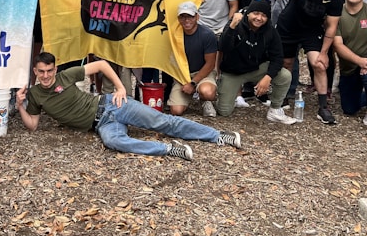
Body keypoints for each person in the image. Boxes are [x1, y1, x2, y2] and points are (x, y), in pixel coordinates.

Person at [16, 52, 242, 161]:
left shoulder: (66, 75)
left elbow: (102, 64)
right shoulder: (35, 95)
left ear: (55, 69)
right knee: (114, 141)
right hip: (101, 125)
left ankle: (218, 136)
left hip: (111, 106)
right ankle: (168, 149)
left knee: (163, 121)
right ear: (35, 72)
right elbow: (33, 125)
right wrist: (21, 105)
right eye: (41, 72)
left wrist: (121, 88)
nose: (46, 76)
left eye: (49, 71)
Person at [271, 0, 343, 125]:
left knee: (319, 64)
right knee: (286, 63)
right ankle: (282, 98)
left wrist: (324, 53)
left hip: (312, 30)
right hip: (288, 27)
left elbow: (332, 27)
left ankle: (323, 107)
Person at [216, 0, 297, 124]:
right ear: (248, 13)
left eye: (264, 15)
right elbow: (223, 47)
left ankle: (275, 109)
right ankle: (229, 95)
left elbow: (278, 58)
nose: (259, 18)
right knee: (224, 111)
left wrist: (268, 77)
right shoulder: (236, 23)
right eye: (256, 13)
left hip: (256, 68)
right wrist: (231, 27)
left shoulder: (270, 31)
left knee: (284, 76)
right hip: (233, 72)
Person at [167, 2, 220, 117]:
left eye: (190, 16)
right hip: (182, 75)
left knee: (207, 92)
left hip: (203, 73)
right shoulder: (174, 35)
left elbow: (210, 64)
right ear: (178, 18)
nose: (186, 20)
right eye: (183, 16)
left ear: (197, 17)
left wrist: (193, 82)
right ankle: (188, 97)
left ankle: (205, 100)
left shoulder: (207, 34)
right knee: (176, 111)